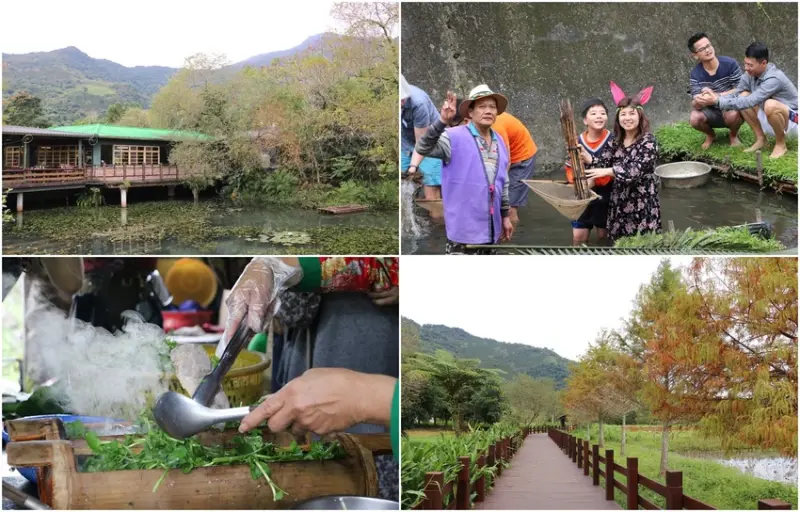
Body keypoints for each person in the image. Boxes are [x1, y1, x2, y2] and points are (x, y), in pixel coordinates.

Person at [415, 84, 514, 254]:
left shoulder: (500, 142)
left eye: (492, 107)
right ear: (470, 112)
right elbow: (423, 147)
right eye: (482, 107)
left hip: (492, 229)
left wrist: (505, 216)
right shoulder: (453, 137)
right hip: (463, 231)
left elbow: (503, 182)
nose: (488, 111)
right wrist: (442, 122)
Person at [584, 82, 662, 241]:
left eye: (632, 114)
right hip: (619, 202)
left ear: (640, 116)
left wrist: (609, 171)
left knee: (642, 244)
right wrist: (586, 157)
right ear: (618, 118)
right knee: (619, 245)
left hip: (642, 201)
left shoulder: (648, 141)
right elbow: (601, 164)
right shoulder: (616, 141)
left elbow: (635, 170)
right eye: (623, 115)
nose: (627, 118)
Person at [697, 42, 798, 159]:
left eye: (750, 65)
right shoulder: (749, 74)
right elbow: (737, 92)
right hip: (773, 117)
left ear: (764, 63)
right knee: (743, 95)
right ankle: (761, 139)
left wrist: (717, 102)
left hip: (793, 121)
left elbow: (751, 101)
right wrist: (715, 97)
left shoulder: (774, 78)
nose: (746, 68)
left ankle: (781, 144)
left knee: (769, 104)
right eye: (745, 63)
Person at [564, 98, 614, 245]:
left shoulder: (614, 140)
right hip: (583, 199)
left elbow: (614, 170)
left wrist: (594, 181)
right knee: (578, 238)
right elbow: (569, 168)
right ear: (585, 120)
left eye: (602, 113)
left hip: (606, 198)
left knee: (604, 237)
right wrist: (578, 183)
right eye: (593, 113)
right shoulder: (575, 142)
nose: (599, 116)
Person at [686, 32, 744, 149]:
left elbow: (742, 89)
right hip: (710, 111)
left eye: (708, 46)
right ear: (695, 55)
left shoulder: (730, 64)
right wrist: (699, 100)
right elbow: (696, 104)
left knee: (732, 114)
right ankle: (711, 135)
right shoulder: (695, 74)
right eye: (702, 49)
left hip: (730, 107)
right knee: (694, 118)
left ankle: (733, 135)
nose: (708, 50)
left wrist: (716, 97)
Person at [490, 112, 538, 225]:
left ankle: (511, 238)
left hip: (522, 158)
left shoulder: (496, 126)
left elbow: (506, 162)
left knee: (509, 208)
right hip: (503, 159)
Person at [401, 75, 443, 200]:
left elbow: (422, 143)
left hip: (431, 143)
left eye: (403, 99)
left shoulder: (419, 103)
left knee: (431, 188)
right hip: (406, 143)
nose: (401, 102)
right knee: (403, 183)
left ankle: (435, 217)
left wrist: (413, 166)